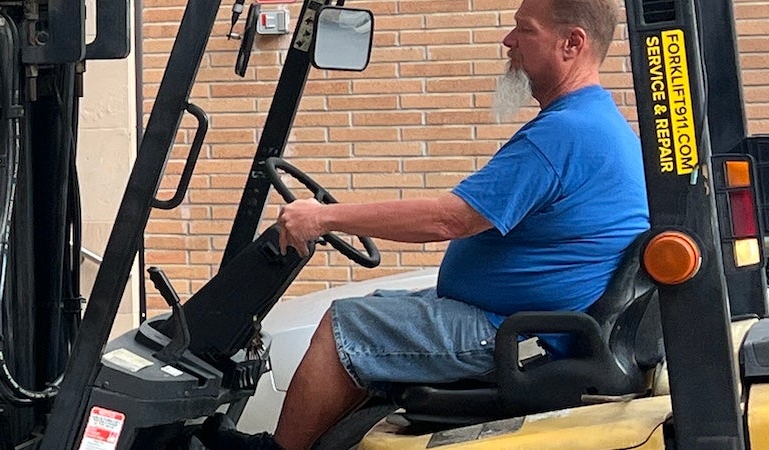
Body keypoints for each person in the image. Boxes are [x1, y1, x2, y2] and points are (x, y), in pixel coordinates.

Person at [210, 0, 648, 447]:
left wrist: (323, 217)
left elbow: (449, 219)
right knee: (379, 305)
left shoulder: (566, 134)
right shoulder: (593, 124)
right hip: (530, 323)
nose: (508, 41)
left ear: (571, 43)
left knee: (346, 324)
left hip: (514, 333)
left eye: (524, 30)